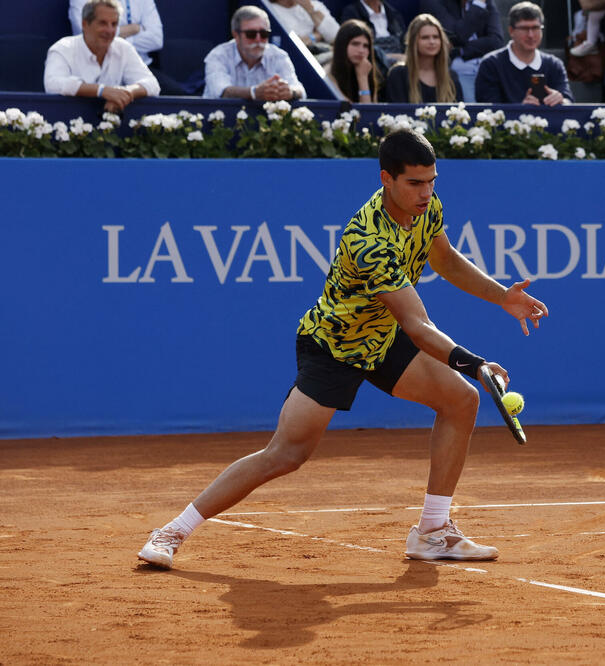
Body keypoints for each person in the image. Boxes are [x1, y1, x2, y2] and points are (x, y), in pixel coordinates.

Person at [137, 128, 549, 570]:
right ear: (386, 179)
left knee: (460, 400)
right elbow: (418, 325)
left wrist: (501, 296)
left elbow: (444, 259)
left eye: (432, 181)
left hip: (382, 337)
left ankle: (433, 532)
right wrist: (475, 362)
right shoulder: (367, 238)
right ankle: (173, 531)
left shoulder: (426, 207)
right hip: (335, 346)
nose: (426, 192)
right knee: (286, 454)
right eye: (415, 183)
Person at [45, 0, 160, 112]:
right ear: (84, 24)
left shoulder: (123, 47)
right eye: (103, 23)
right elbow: (53, 84)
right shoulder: (63, 48)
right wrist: (102, 91)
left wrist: (124, 93)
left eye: (114, 24)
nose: (109, 30)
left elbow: (152, 84)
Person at [474, 1, 573, 105]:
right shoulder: (491, 64)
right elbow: (489, 109)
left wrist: (561, 100)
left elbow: (568, 100)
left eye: (535, 28)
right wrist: (521, 108)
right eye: (525, 29)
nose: (531, 35)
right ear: (511, 31)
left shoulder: (554, 64)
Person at [203, 6, 305, 101]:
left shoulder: (279, 56)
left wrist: (290, 92)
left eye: (264, 34)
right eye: (251, 34)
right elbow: (222, 92)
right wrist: (254, 93)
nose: (258, 39)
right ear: (236, 35)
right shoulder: (218, 55)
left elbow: (300, 91)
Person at [420, 0, 504, 101]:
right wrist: (477, 7)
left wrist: (461, 50)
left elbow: (496, 42)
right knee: (471, 111)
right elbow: (456, 35)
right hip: (458, 67)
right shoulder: (434, 2)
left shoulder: (485, 2)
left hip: (485, 65)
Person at [385, 14, 463, 103]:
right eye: (425, 38)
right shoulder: (398, 74)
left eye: (436, 37)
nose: (432, 42)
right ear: (414, 42)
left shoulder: (451, 77)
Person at [340, 0, 407, 76]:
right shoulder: (351, 14)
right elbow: (355, 49)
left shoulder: (394, 14)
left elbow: (405, 44)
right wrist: (393, 57)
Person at [262, 0, 340, 65]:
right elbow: (292, 45)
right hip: (297, 62)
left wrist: (310, 10)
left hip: (327, 56)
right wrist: (316, 35)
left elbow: (338, 37)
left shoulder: (315, 5)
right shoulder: (270, 11)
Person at [328, 19, 380, 102]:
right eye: (355, 44)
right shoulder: (328, 74)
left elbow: (370, 112)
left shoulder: (365, 69)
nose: (361, 50)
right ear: (342, 45)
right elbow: (352, 112)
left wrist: (363, 78)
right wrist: (362, 78)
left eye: (365, 46)